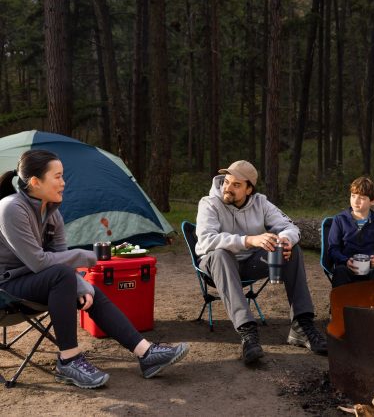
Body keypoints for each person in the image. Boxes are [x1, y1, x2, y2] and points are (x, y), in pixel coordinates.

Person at [0, 149, 189, 389]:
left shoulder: (53, 212)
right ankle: (68, 360)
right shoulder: (11, 209)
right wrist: (92, 258)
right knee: (62, 275)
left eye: (63, 175)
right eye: (57, 176)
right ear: (36, 182)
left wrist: (81, 286)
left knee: (81, 284)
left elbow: (60, 257)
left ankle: (146, 353)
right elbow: (39, 261)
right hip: (7, 289)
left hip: (37, 281)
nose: (63, 182)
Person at [195, 160, 327, 365]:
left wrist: (285, 239)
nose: (228, 188)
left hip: (249, 264)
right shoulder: (209, 203)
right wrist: (248, 240)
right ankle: (247, 333)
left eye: (236, 185)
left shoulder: (261, 203)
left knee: (292, 250)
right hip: (217, 267)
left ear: (249, 189)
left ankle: (302, 325)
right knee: (220, 254)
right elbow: (206, 241)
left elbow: (291, 227)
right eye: (227, 182)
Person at [328, 176, 374, 288]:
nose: (355, 201)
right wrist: (345, 261)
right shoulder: (340, 219)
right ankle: (339, 305)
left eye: (362, 198)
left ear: (373, 201)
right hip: (348, 267)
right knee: (340, 271)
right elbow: (333, 249)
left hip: (372, 269)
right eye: (353, 196)